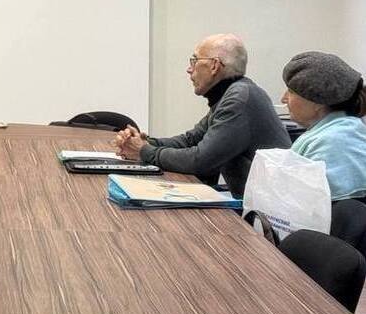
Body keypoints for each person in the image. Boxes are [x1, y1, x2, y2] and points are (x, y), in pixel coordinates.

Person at [115, 33, 289, 197]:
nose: (189, 69)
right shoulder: (231, 94)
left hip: (265, 214)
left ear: (214, 66)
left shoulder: (239, 98)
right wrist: (144, 142)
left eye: (194, 61)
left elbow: (200, 161)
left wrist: (144, 151)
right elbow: (190, 140)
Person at [281, 51, 366, 201]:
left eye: (291, 92)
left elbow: (306, 205)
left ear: (317, 101)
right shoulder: (342, 130)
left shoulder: (334, 143)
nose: (283, 99)